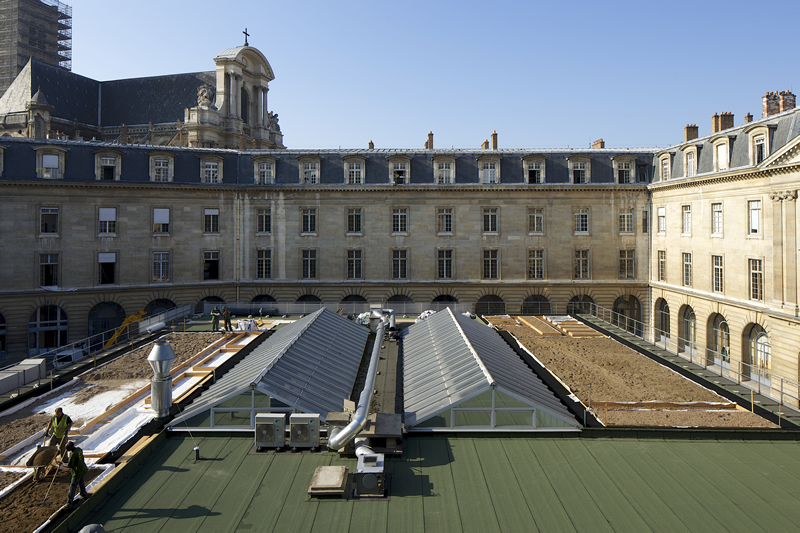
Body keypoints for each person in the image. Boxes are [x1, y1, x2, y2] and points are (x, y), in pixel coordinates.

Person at [64, 441, 89, 510]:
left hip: (77, 472)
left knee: (72, 488)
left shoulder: (73, 454)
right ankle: (83, 494)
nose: (67, 449)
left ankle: (69, 504)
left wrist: (62, 465)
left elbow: (70, 465)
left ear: (71, 447)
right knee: (81, 482)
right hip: (82, 469)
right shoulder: (78, 449)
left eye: (68, 448)